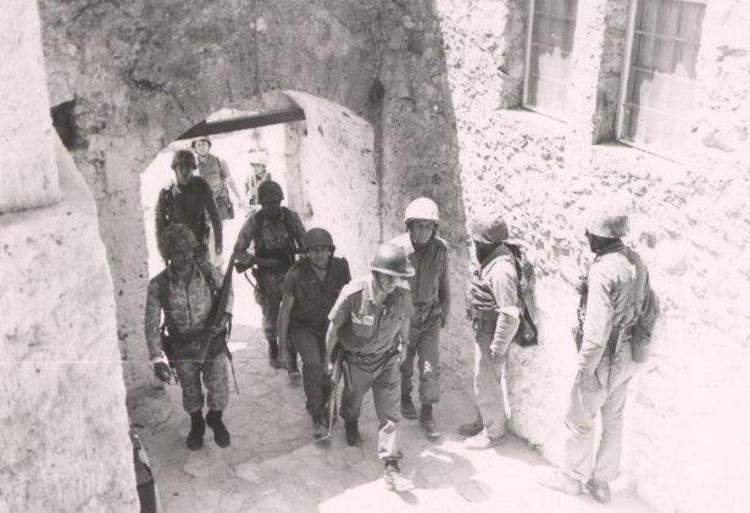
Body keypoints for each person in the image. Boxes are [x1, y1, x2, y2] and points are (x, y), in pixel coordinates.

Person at [538, 200, 656, 503]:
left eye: (591, 232)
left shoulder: (603, 271)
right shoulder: (635, 261)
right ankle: (602, 483)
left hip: (602, 359)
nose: (587, 237)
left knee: (580, 419)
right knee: (613, 422)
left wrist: (585, 370)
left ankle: (571, 479)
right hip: (627, 356)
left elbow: (597, 332)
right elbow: (648, 306)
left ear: (601, 236)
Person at [325, 243, 416, 492]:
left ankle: (391, 466)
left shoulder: (402, 294)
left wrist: (404, 343)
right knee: (352, 400)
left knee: (390, 413)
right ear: (375, 273)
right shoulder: (353, 293)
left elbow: (405, 319)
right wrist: (327, 359)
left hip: (387, 360)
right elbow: (334, 329)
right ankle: (350, 421)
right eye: (388, 277)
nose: (393, 283)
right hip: (357, 361)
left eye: (398, 277)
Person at [144, 223, 233, 451]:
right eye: (177, 253)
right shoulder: (158, 285)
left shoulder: (207, 271)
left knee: (220, 388)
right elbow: (151, 323)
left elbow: (227, 291)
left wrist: (225, 316)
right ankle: (197, 424)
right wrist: (157, 358)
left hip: (211, 340)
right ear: (167, 255)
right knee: (191, 390)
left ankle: (215, 418)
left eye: (187, 251)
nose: (184, 257)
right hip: (182, 345)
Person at [277, 228, 351, 442]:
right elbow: (284, 312)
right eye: (313, 250)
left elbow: (350, 299)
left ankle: (327, 404)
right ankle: (317, 415)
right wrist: (282, 348)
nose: (319, 254)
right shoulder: (295, 275)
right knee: (313, 364)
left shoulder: (341, 268)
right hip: (304, 327)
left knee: (330, 368)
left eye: (323, 249)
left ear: (330, 250)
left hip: (331, 326)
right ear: (306, 253)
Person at [390, 197, 450, 439]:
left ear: (434, 228)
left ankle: (427, 411)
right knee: (403, 365)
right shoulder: (397, 250)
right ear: (409, 226)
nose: (424, 231)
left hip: (430, 317)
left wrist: (445, 309)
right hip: (404, 318)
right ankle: (405, 398)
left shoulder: (440, 250)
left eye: (429, 226)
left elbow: (444, 283)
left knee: (430, 368)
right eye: (419, 226)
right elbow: (386, 286)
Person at [461, 211, 520, 450]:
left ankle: (494, 433)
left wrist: (498, 348)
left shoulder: (501, 270)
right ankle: (483, 421)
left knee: (487, 383)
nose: (474, 244)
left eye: (476, 241)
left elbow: (510, 314)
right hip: (483, 329)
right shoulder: (489, 259)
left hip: (492, 335)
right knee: (482, 380)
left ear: (486, 243)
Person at [234, 180, 306, 371]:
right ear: (261, 203)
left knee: (293, 315)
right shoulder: (255, 222)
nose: (271, 207)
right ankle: (273, 345)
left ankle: (292, 355)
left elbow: (305, 243)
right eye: (267, 203)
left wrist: (301, 263)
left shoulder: (290, 218)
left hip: (289, 274)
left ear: (280, 201)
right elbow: (238, 251)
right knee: (270, 317)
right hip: (267, 278)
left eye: (275, 202)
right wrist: (261, 261)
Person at [155, 150, 222, 264]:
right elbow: (159, 225)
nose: (185, 172)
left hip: (199, 245)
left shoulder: (201, 186)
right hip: (178, 248)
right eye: (181, 168)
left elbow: (214, 214)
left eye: (188, 168)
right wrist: (164, 253)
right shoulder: (166, 192)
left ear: (193, 169)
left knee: (205, 272)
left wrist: (218, 241)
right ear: (175, 169)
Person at [192, 137, 245, 220]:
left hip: (220, 203)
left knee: (224, 226)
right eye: (199, 145)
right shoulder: (192, 166)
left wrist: (239, 198)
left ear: (209, 146)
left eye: (204, 144)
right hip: (203, 206)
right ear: (194, 149)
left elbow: (230, 181)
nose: (202, 148)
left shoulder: (219, 161)